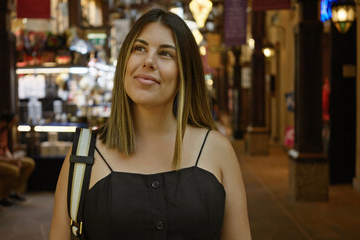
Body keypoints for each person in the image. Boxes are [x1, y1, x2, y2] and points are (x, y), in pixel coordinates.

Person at [50, 8, 251, 239]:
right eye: (139, 48)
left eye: (165, 54)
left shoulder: (216, 150)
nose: (148, 61)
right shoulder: (83, 156)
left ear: (185, 73)